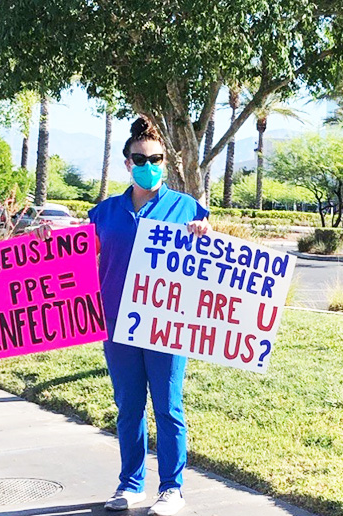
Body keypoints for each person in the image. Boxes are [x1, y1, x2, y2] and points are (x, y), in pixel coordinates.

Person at [84, 116, 210, 516]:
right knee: (129, 407)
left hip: (167, 325)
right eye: (140, 158)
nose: (149, 164)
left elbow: (210, 258)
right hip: (117, 324)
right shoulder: (102, 213)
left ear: (165, 162)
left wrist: (203, 234)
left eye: (156, 158)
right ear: (127, 163)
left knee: (168, 407)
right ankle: (130, 484)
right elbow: (75, 258)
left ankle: (172, 488)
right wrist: (45, 240)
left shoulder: (185, 207)